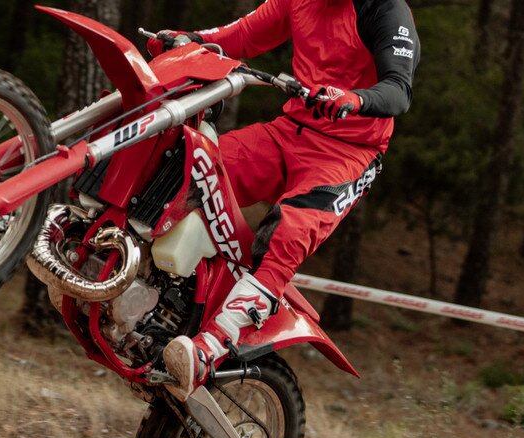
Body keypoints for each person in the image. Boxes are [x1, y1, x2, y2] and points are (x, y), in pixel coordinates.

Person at [146, 0, 420, 401]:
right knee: (193, 165)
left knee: (287, 232)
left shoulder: (385, 10)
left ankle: (209, 348)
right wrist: (191, 40)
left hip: (349, 153)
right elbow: (241, 35)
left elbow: (399, 89)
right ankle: (139, 285)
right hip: (290, 130)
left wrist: (355, 99)